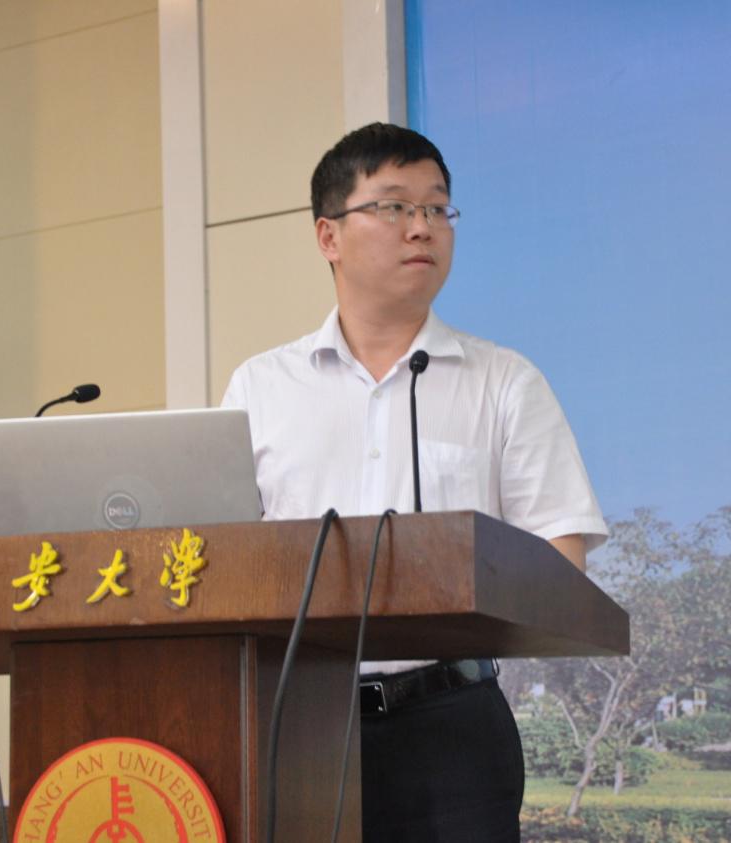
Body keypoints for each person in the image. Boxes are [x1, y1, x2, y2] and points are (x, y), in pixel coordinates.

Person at [221, 122, 606, 842]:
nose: (422, 226)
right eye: (395, 206)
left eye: (437, 207)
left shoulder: (504, 382)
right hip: (297, 722)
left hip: (451, 728)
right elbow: (224, 563)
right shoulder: (260, 387)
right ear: (328, 235)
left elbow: (562, 560)